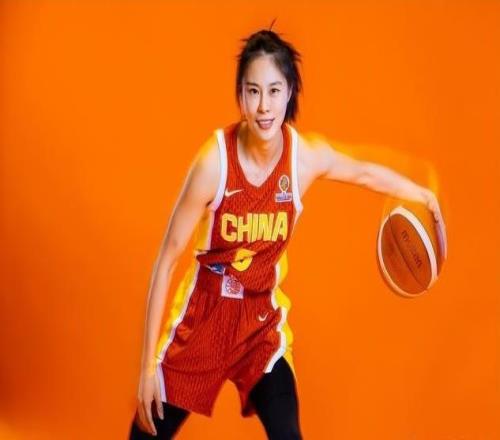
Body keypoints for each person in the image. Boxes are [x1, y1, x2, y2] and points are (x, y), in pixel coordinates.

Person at [128, 27, 447, 439]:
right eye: (253, 91)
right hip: (204, 318)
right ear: (240, 96)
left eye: (274, 91)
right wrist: (146, 370)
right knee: (145, 433)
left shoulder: (303, 159)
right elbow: (167, 260)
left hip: (260, 325)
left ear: (290, 92)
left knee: (287, 434)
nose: (264, 106)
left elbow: (363, 172)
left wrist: (419, 193)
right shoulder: (214, 163)